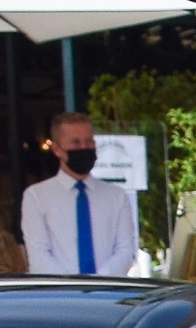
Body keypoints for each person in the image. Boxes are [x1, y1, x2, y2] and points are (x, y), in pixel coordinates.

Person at [21, 113, 138, 277]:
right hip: (60, 295)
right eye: (75, 143)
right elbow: (38, 254)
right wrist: (72, 286)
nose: (84, 147)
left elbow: (126, 250)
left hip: (107, 293)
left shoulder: (117, 196)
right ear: (56, 149)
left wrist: (98, 282)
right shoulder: (37, 196)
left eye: (89, 142)